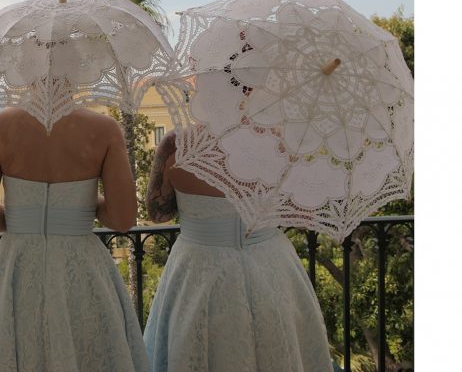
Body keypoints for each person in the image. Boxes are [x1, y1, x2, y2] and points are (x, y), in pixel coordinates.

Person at [0, 107, 149, 372]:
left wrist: (24, 218)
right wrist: (83, 205)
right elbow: (122, 218)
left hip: (18, 265)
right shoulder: (105, 129)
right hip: (82, 268)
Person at [142, 130, 333, 372]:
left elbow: (158, 213)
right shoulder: (281, 140)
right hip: (271, 268)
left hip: (198, 271)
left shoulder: (177, 144)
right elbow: (305, 214)